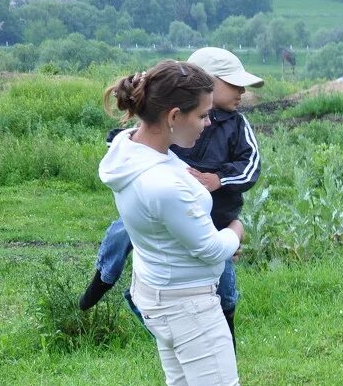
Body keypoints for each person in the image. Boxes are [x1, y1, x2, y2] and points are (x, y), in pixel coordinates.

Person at [99, 59, 287, 386]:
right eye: (202, 116)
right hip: (189, 300)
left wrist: (196, 182)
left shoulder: (126, 152)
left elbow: (178, 175)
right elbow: (210, 251)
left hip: (154, 291)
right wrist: (237, 231)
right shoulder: (169, 186)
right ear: (175, 114)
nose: (208, 125)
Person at [80, 47, 264, 344]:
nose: (241, 91)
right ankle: (104, 278)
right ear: (206, 82)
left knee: (225, 287)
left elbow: (251, 164)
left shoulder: (235, 124)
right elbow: (141, 140)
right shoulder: (173, 122)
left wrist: (218, 179)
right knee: (122, 231)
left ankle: (224, 333)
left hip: (214, 215)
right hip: (166, 210)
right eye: (234, 83)